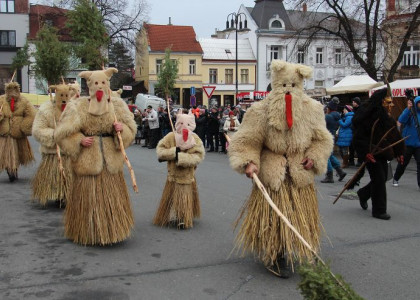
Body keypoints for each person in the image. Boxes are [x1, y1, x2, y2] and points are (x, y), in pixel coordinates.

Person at [228, 60, 333, 278]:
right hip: (271, 174)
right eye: (283, 85)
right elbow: (246, 140)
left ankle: (292, 246)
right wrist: (249, 161)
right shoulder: (259, 110)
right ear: (275, 83)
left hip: (299, 175)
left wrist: (314, 158)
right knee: (273, 219)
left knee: (297, 216)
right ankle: (275, 253)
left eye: (293, 85)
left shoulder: (313, 109)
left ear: (301, 84)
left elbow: (322, 140)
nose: (288, 90)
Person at [54, 68, 137, 245]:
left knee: (111, 200)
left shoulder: (117, 105)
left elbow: (131, 130)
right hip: (87, 162)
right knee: (89, 201)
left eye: (103, 83)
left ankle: (112, 231)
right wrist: (79, 140)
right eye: (95, 83)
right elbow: (62, 134)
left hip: (111, 162)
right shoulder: (78, 106)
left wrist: (121, 130)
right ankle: (89, 232)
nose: (99, 86)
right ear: (89, 86)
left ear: (108, 85)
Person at [352, 88, 405, 220]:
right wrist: (365, 153)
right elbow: (358, 137)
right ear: (381, 102)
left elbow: (394, 134)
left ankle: (363, 194)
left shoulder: (386, 117)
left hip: (382, 152)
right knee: (379, 178)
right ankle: (379, 210)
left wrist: (399, 152)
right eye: (387, 102)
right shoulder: (366, 115)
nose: (390, 105)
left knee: (382, 178)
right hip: (371, 152)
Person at [154, 111, 205, 229]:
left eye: (187, 124)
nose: (183, 127)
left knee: (184, 197)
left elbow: (199, 156)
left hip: (186, 175)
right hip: (172, 175)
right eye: (181, 123)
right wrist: (173, 152)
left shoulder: (195, 139)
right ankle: (164, 215)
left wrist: (181, 157)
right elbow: (160, 151)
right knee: (169, 196)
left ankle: (183, 217)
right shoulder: (171, 137)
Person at [32, 84, 72, 206]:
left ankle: (67, 194)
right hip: (52, 152)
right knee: (55, 175)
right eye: (61, 96)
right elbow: (37, 130)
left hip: (69, 151)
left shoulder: (73, 109)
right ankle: (57, 194)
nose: (64, 99)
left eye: (66, 95)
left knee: (69, 175)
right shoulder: (46, 110)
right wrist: (55, 135)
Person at [0, 82, 36, 182]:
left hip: (18, 132)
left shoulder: (24, 101)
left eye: (14, 90)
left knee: (17, 153)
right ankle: (10, 169)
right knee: (7, 153)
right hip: (5, 132)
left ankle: (14, 168)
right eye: (9, 90)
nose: (12, 93)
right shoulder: (1, 100)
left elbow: (31, 115)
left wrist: (24, 126)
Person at [392, 95, 420, 189]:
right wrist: (408, 108)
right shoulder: (410, 112)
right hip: (408, 143)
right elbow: (401, 120)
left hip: (418, 144)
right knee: (403, 163)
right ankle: (396, 178)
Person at [321, 100, 347, 183]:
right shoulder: (338, 117)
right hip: (332, 137)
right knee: (330, 155)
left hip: (326, 137)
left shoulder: (328, 117)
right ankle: (340, 172)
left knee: (326, 156)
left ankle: (329, 175)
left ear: (330, 108)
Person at [349, 97, 361, 166]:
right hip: (353, 130)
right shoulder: (353, 111)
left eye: (353, 102)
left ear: (357, 103)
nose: (352, 103)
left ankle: (359, 161)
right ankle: (351, 160)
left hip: (358, 131)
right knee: (351, 146)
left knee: (358, 147)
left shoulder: (360, 110)